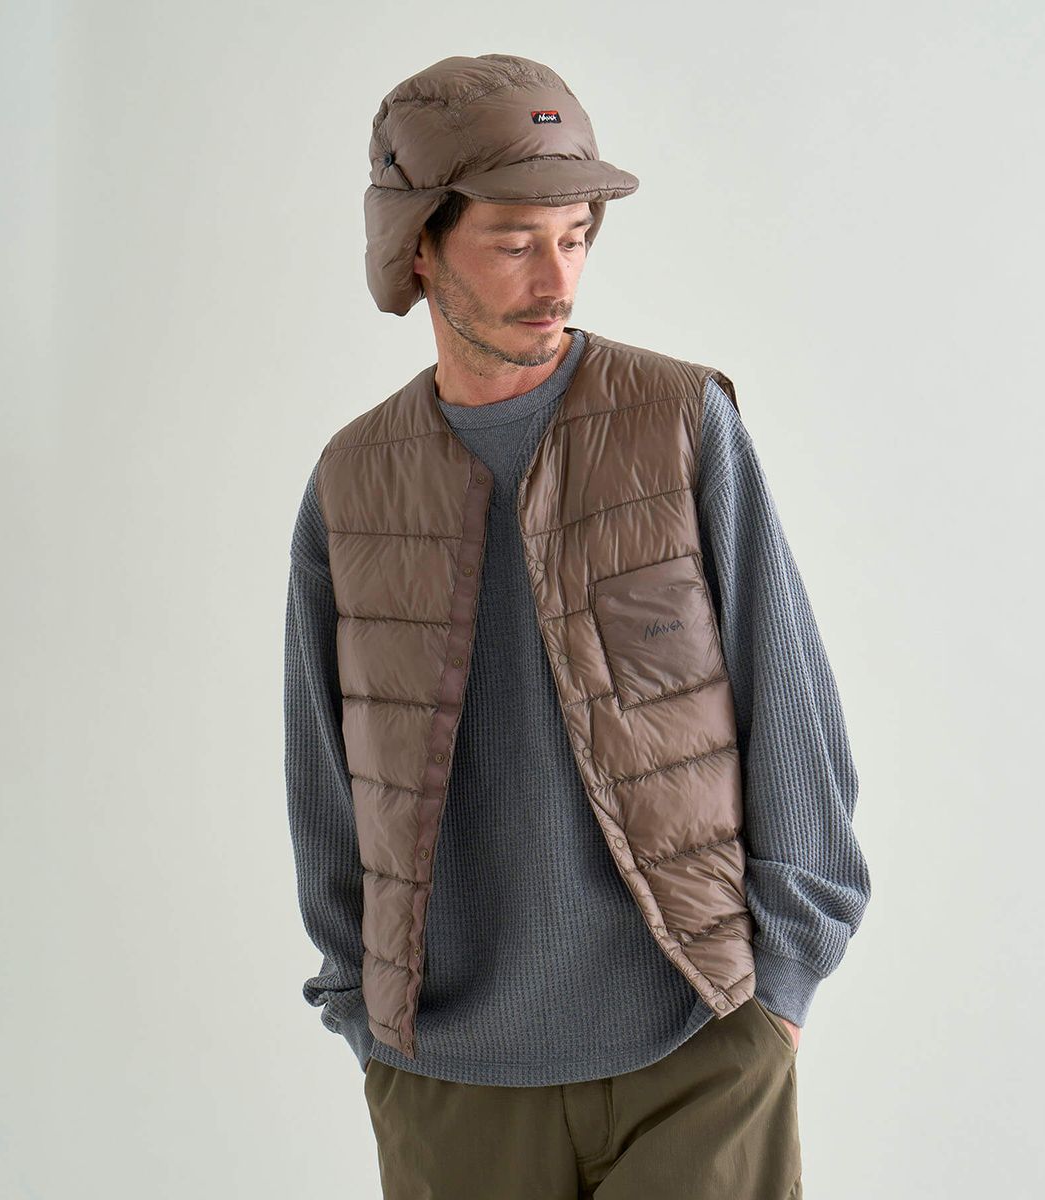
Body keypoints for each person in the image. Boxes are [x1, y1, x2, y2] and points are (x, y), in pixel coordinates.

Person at [284, 53, 871, 1199]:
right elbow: (320, 773)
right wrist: (361, 1006)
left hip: (696, 1045)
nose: (557, 278)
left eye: (576, 237)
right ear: (418, 247)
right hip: (447, 1076)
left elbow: (790, 704)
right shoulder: (353, 479)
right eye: (515, 243)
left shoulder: (679, 423)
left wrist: (781, 988)